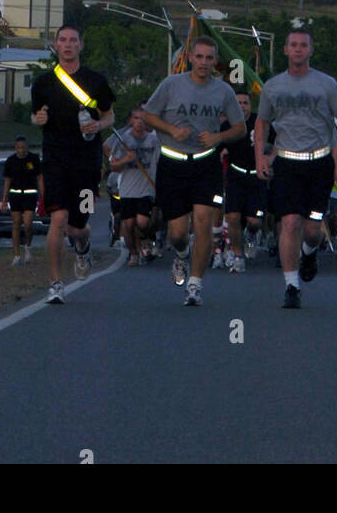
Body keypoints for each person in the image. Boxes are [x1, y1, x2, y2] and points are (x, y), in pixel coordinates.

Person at [142, 37, 246, 305]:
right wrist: (172, 129)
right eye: (199, 57)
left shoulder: (223, 91)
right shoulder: (171, 84)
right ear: (190, 57)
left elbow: (240, 128)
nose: (203, 63)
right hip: (173, 162)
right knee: (177, 232)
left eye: (209, 58)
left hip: (205, 163)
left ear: (215, 61)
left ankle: (195, 285)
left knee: (202, 222)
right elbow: (148, 115)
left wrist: (218, 137)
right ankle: (182, 253)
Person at [255, 29, 337, 309]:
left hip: (319, 162)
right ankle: (291, 285)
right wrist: (261, 158)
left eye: (303, 45)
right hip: (286, 161)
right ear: (285, 50)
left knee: (312, 229)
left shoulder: (326, 84)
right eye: (293, 45)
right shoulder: (273, 86)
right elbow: (261, 123)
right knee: (289, 222)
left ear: (310, 50)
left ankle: (310, 252)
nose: (298, 49)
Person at [31, 24, 115, 305]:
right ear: (55, 45)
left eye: (73, 40)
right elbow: (36, 116)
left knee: (78, 225)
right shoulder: (43, 83)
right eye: (62, 40)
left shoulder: (96, 81)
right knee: (58, 219)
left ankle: (83, 245)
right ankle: (56, 284)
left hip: (88, 162)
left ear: (81, 45)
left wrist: (98, 124)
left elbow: (110, 117)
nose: (67, 45)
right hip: (55, 159)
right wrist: (38, 120)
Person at [222, 89, 270, 273]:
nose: (242, 106)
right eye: (238, 103)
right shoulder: (228, 125)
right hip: (235, 174)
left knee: (255, 221)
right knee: (233, 216)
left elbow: (275, 144)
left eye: (245, 103)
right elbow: (219, 145)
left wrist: (268, 160)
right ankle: (237, 255)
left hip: (256, 176)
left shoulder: (261, 123)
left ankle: (250, 235)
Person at [108, 107, 160, 265]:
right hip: (127, 189)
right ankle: (133, 253)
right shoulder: (124, 140)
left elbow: (159, 162)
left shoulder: (153, 140)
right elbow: (113, 166)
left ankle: (147, 240)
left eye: (142, 119)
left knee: (143, 222)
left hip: (146, 187)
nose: (139, 122)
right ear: (131, 121)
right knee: (129, 224)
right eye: (136, 118)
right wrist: (126, 159)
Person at [1, 136, 44, 266]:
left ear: (27, 147)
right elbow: (7, 180)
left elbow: (40, 178)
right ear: (15, 148)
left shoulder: (34, 159)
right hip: (15, 195)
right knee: (16, 223)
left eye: (23, 147)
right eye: (19, 147)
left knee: (28, 223)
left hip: (30, 194)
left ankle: (28, 246)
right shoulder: (10, 161)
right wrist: (4, 199)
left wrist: (43, 196)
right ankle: (16, 255)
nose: (21, 150)